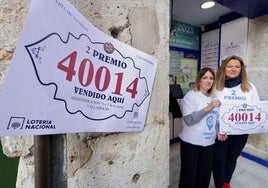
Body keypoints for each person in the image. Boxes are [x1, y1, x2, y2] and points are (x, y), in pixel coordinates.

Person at [213, 55, 260, 188]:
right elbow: (211, 109)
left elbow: (255, 109)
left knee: (232, 158)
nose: (233, 69)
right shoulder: (216, 86)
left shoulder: (249, 87)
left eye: (237, 66)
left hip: (240, 133)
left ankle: (226, 182)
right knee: (219, 160)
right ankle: (218, 184)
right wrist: (218, 130)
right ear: (224, 68)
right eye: (229, 66)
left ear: (241, 69)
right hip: (221, 132)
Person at [178, 67, 221, 188]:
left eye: (211, 78)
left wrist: (219, 132)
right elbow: (189, 120)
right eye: (205, 77)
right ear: (199, 80)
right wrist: (209, 107)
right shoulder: (191, 96)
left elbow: (215, 121)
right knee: (188, 176)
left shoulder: (214, 97)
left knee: (204, 175)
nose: (208, 81)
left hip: (209, 143)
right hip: (191, 142)